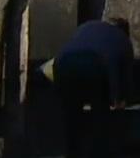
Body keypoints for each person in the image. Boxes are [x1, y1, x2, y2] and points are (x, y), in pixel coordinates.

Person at [54, 18, 134, 158]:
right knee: (100, 112)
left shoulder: (87, 26)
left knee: (71, 115)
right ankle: (99, 152)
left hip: (63, 64)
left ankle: (72, 153)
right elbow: (119, 72)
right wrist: (117, 98)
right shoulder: (123, 39)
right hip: (93, 65)